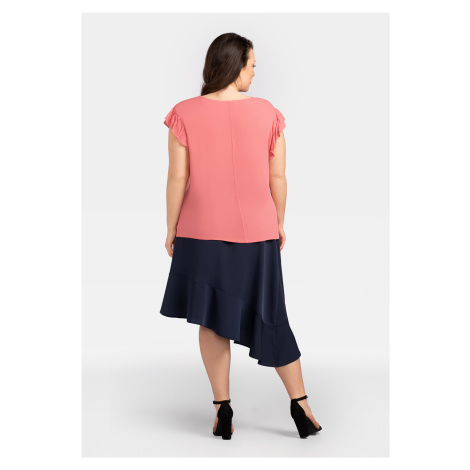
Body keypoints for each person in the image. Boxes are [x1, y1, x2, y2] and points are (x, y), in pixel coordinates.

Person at [159, 33, 322, 440]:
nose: (253, 73)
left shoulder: (183, 113)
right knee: (272, 316)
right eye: (251, 65)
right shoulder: (268, 113)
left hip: (200, 232)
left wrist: (171, 227)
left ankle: (223, 409)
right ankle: (300, 406)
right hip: (257, 232)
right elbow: (278, 177)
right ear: (235, 66)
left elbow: (178, 177)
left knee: (211, 319)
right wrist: (278, 221)